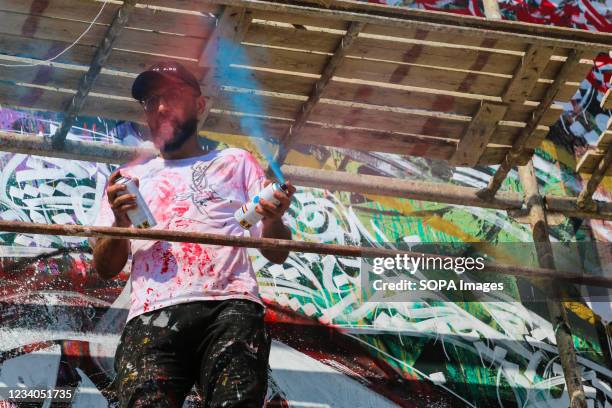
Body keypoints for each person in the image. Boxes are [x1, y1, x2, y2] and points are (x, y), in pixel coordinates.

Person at [89, 61, 296, 408]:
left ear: (200, 106)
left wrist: (273, 221)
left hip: (230, 307)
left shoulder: (235, 161)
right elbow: (106, 268)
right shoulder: (127, 179)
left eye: (171, 96)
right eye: (150, 101)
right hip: (152, 314)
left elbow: (277, 251)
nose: (160, 108)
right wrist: (119, 222)